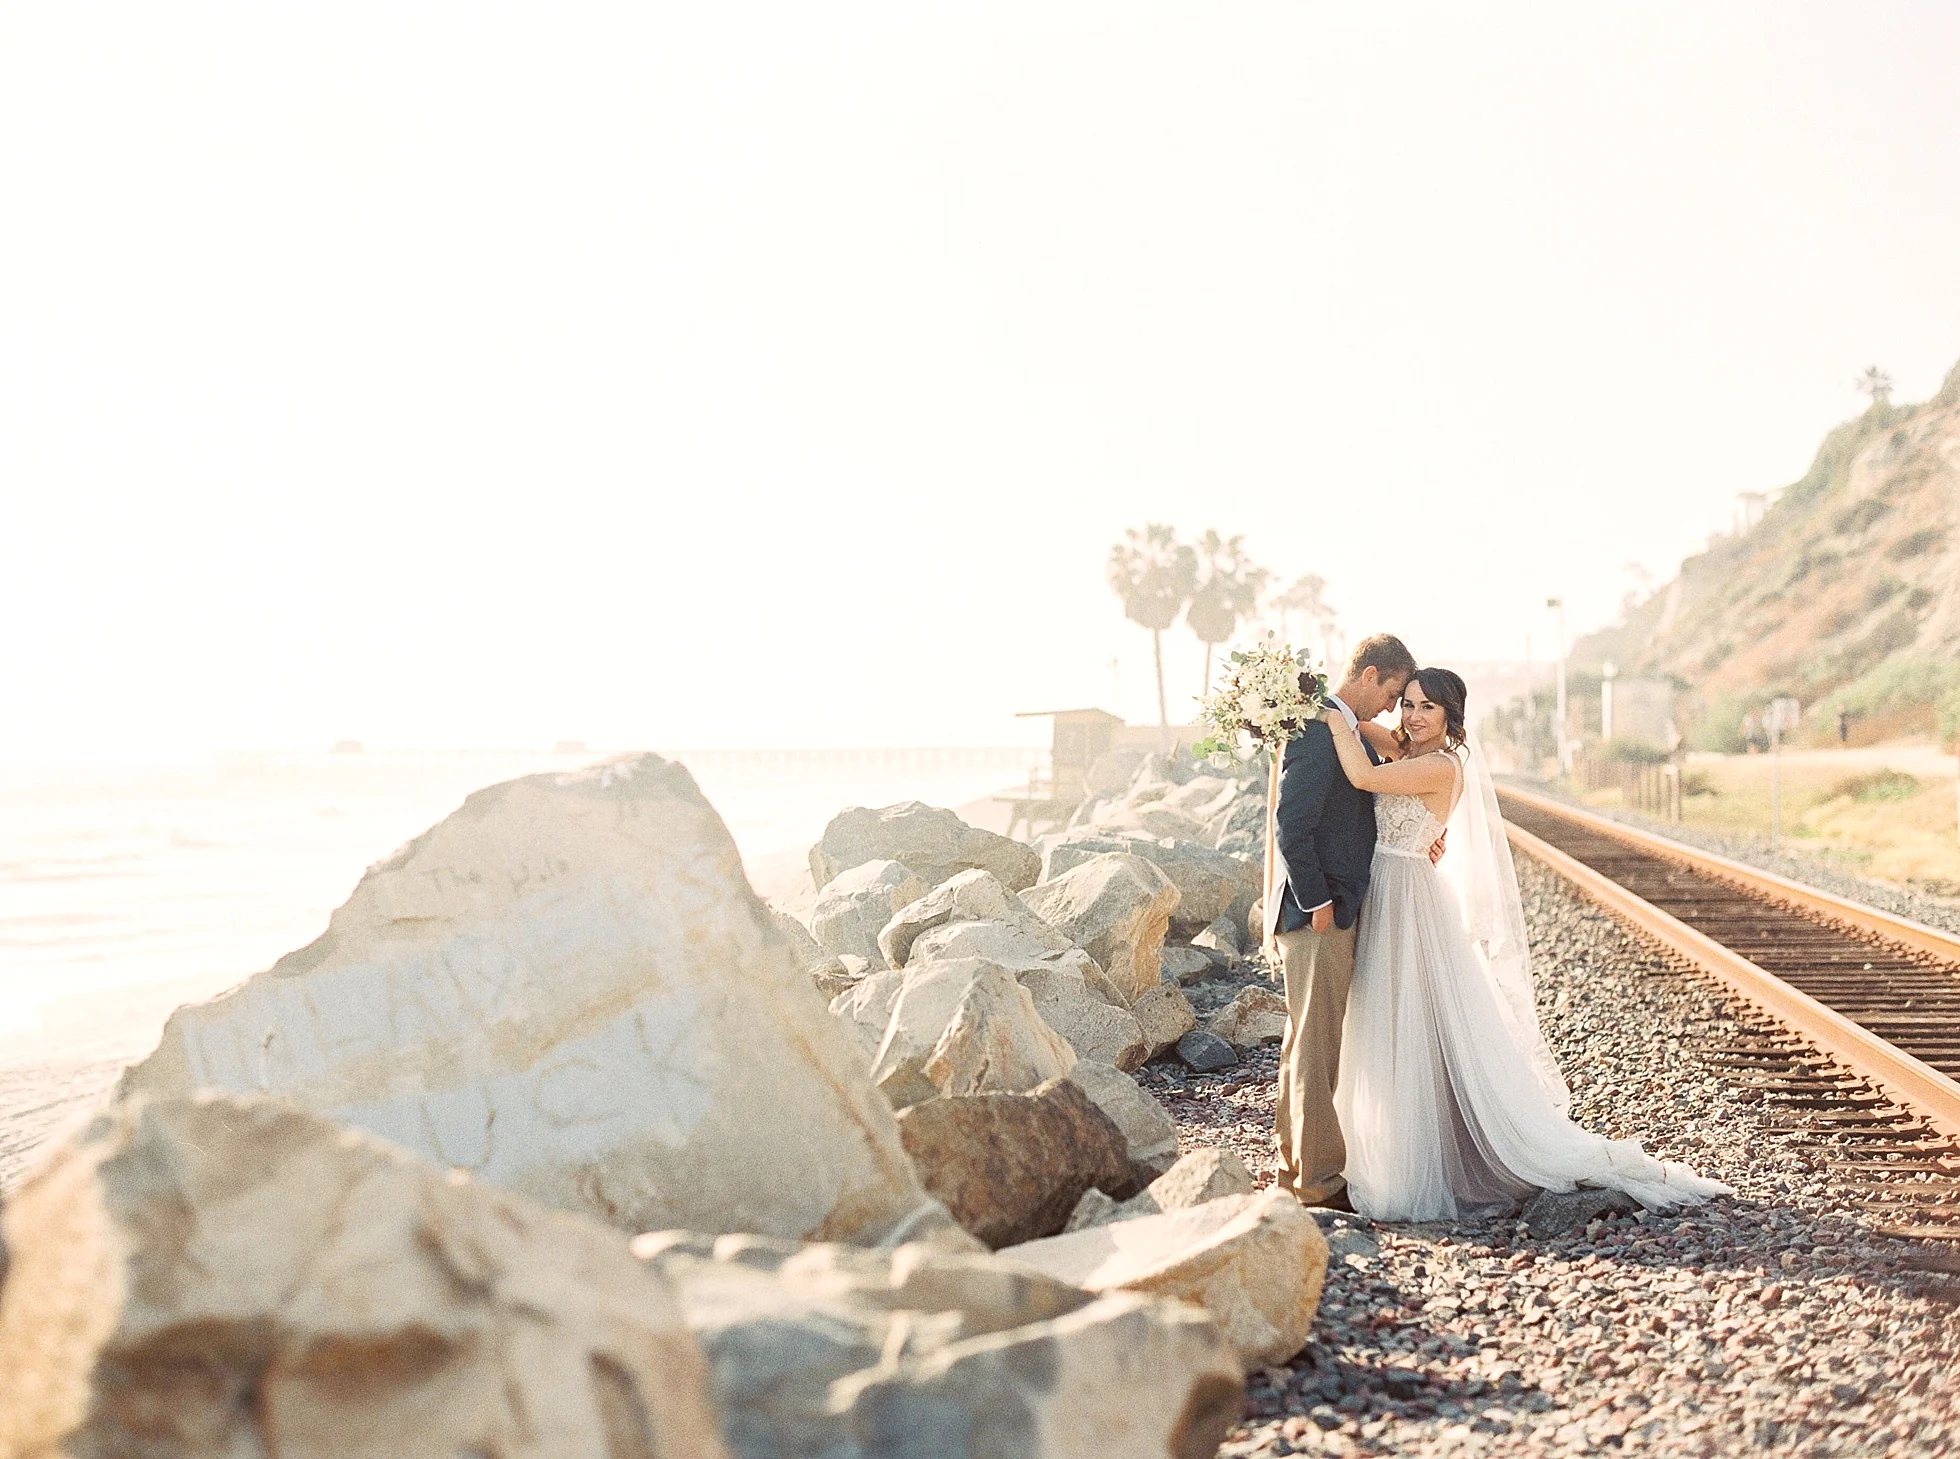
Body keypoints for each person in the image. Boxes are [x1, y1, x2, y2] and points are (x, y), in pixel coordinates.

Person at [1316, 668, 1732, 1222]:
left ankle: (1437, 1156)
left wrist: (1326, 718)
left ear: (1450, 719)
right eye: (1408, 703)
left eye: (1427, 709)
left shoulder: (1440, 766)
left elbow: (1364, 778)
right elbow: (1369, 724)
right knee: (1389, 1020)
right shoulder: (1405, 745)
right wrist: (1336, 712)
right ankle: (1399, 1140)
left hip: (1409, 896)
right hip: (1388, 890)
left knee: (1416, 1019)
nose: (1412, 715)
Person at [1268, 633, 1419, 1210]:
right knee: (1317, 1049)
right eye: (1392, 693)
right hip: (1318, 915)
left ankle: (1294, 1169)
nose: (1392, 707)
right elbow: (1292, 825)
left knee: (1303, 1044)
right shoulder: (1316, 731)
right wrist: (1318, 902)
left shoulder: (1346, 729)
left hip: (1327, 909)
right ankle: (1321, 1183)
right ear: (1370, 673)